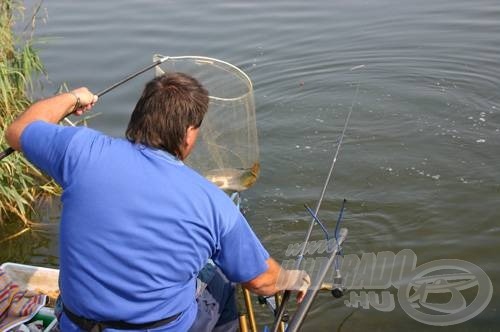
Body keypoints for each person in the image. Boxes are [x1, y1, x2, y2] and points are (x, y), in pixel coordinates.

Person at [5, 72, 310, 331]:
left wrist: (74, 97)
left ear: (139, 116)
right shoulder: (214, 205)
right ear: (189, 134)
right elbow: (262, 281)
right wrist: (291, 277)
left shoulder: (81, 152)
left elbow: (17, 130)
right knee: (220, 283)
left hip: (78, 325)